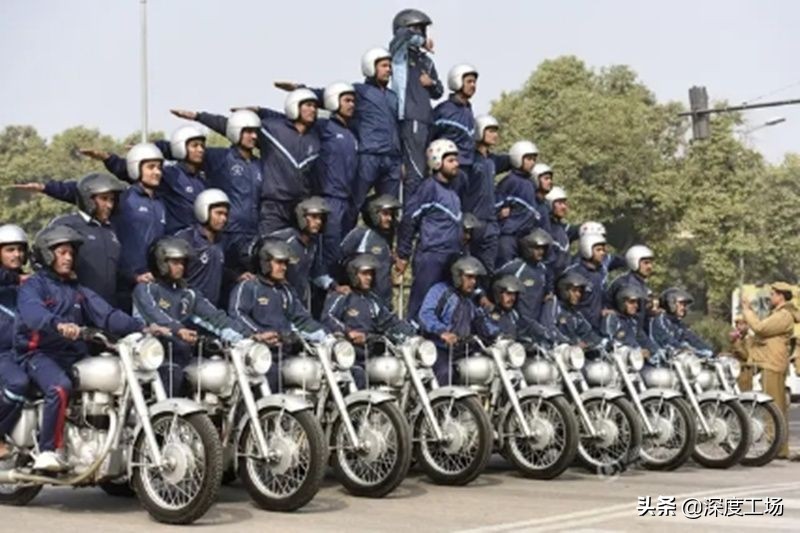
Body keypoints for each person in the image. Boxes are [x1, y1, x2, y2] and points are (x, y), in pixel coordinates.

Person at [16, 226, 152, 471]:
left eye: (71, 253)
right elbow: (33, 314)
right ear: (47, 255)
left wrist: (144, 327)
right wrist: (58, 325)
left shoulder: (76, 290)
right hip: (38, 354)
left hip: (73, 355)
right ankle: (47, 450)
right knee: (59, 386)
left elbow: (107, 314)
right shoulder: (33, 286)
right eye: (62, 252)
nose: (68, 258)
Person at [17, 143, 167, 311]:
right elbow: (82, 190)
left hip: (139, 284)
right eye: (151, 167)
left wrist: (137, 277)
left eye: (160, 167)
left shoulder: (161, 204)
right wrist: (47, 188)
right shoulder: (125, 197)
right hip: (92, 299)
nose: (109, 205)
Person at [276, 47, 401, 211]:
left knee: (390, 206)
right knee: (354, 203)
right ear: (371, 67)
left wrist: (401, 158)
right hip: (369, 155)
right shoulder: (360, 91)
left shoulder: (393, 97)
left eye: (390, 66)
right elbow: (328, 95)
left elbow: (400, 127)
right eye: (384, 66)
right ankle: (346, 234)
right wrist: (300, 88)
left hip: (392, 159)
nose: (388, 70)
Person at [132, 237, 245, 397]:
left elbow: (214, 317)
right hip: (153, 357)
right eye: (175, 262)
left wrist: (247, 335)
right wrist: (179, 330)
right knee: (173, 374)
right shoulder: (146, 289)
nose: (180, 267)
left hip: (182, 355)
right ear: (160, 262)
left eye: (183, 263)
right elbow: (154, 315)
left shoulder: (188, 293)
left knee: (218, 371)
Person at [164, 109, 264, 265]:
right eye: (248, 132)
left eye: (256, 132)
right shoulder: (220, 157)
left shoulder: (260, 165)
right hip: (227, 232)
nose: (254, 137)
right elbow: (184, 150)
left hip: (252, 234)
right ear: (236, 131)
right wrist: (149, 150)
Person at [228, 239, 327, 391]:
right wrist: (259, 334)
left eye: (285, 263)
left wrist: (327, 336)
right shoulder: (249, 287)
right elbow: (237, 313)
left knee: (312, 370)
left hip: (284, 352)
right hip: (258, 356)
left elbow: (302, 318)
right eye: (279, 263)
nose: (284, 267)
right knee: (273, 374)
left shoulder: (287, 291)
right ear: (265, 262)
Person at [85, 126, 208, 234]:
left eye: (202, 145)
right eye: (195, 145)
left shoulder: (204, 180)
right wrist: (109, 159)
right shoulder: (171, 174)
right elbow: (132, 171)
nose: (200, 149)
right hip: (174, 242)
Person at [321, 254, 416, 387]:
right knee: (359, 375)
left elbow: (390, 321)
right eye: (364, 274)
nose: (369, 278)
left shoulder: (373, 300)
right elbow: (327, 317)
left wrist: (413, 334)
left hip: (369, 354)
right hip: (345, 357)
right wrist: (349, 332)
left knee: (396, 368)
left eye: (371, 274)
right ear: (354, 274)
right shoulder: (343, 296)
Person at [396, 139, 463, 320]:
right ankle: (412, 337)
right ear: (437, 161)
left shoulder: (453, 194)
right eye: (451, 160)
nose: (456, 164)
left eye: (456, 160)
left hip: (451, 257)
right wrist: (403, 254)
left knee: (444, 305)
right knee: (421, 302)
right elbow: (409, 219)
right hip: (431, 256)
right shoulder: (428, 188)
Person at [740, 282, 800, 459]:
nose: (770, 297)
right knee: (775, 407)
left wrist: (747, 310)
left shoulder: (783, 315)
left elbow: (760, 328)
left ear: (781, 295)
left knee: (773, 408)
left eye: (773, 294)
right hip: (772, 362)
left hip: (772, 363)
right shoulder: (780, 314)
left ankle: (777, 448)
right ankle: (779, 448)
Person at [46, 173, 125, 306]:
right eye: (104, 199)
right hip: (76, 304)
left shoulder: (111, 229)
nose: (109, 205)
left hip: (107, 306)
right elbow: (42, 257)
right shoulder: (67, 224)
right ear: (88, 199)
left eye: (112, 200)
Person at [417, 257, 498, 384]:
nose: (473, 282)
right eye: (469, 277)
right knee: (446, 372)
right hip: (438, 348)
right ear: (457, 275)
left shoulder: (471, 298)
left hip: (464, 349)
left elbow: (482, 320)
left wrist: (499, 336)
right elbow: (425, 314)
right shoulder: (440, 290)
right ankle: (439, 402)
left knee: (486, 368)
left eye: (475, 278)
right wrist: (442, 332)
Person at [389, 8, 442, 193]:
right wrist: (420, 40)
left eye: (422, 29)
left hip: (426, 118)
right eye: (416, 28)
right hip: (410, 116)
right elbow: (401, 36)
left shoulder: (426, 61)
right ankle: (411, 218)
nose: (420, 32)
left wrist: (431, 82)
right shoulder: (399, 56)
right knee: (415, 173)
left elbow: (439, 91)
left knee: (425, 171)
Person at [269, 196, 339, 307]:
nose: (318, 222)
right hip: (279, 301)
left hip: (302, 302)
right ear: (302, 216)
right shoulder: (285, 238)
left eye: (321, 218)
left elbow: (316, 273)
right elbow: (258, 251)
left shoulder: (314, 244)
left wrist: (334, 286)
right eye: (314, 217)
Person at [0, 225, 31, 458]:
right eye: (10, 250)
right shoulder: (12, 280)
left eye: (20, 250)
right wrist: (17, 278)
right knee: (19, 384)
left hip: (25, 351)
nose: (16, 255)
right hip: (2, 354)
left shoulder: (28, 283)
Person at [341, 194, 400, 308]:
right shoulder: (361, 234)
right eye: (385, 214)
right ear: (373, 213)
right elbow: (341, 259)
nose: (389, 218)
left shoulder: (386, 238)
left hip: (384, 303)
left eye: (391, 215)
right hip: (363, 302)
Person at [496, 229, 556, 343]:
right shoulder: (516, 267)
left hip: (535, 326)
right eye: (537, 248)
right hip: (517, 324)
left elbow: (549, 291)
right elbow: (495, 280)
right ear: (528, 248)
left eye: (543, 248)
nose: (540, 251)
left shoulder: (543, 269)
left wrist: (549, 294)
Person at [467, 115, 509, 274]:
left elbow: (513, 161)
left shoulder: (493, 161)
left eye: (496, 131)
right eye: (490, 131)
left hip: (491, 223)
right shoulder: (468, 160)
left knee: (487, 270)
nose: (495, 135)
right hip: (472, 221)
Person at [175, 189, 231, 306]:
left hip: (210, 309)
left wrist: (236, 276)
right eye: (219, 213)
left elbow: (215, 268)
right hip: (187, 308)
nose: (223, 219)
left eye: (225, 214)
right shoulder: (186, 238)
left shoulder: (222, 241)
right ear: (204, 211)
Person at [495, 140, 540, 267]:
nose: (532, 163)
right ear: (518, 159)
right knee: (506, 269)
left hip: (525, 238)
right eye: (528, 159)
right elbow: (496, 203)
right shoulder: (510, 181)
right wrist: (500, 212)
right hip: (508, 236)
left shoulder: (531, 183)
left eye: (534, 159)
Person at [431, 64, 478, 175]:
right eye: (469, 81)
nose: (473, 85)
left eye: (474, 82)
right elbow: (429, 137)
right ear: (457, 81)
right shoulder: (444, 110)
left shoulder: (469, 111)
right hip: (448, 169)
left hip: (467, 167)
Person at [544, 271, 605, 356]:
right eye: (574, 291)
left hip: (572, 357)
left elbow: (588, 331)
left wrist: (604, 342)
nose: (578, 294)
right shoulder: (553, 304)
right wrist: (572, 342)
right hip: (553, 355)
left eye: (580, 291)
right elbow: (550, 329)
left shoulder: (575, 313)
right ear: (564, 290)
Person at [563, 233, 611, 333]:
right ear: (587, 249)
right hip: (578, 329)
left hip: (598, 328)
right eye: (598, 250)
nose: (602, 253)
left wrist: (606, 309)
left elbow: (604, 298)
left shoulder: (602, 272)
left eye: (603, 250)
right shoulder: (574, 271)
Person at [649, 288, 714, 358]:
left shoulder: (678, 324)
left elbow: (693, 339)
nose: (683, 308)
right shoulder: (660, 321)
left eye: (685, 305)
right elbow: (667, 341)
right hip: (662, 362)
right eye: (681, 304)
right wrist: (683, 349)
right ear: (670, 303)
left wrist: (711, 352)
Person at [606, 245, 655, 333]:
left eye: (651, 263)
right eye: (646, 263)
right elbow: (626, 315)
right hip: (623, 334)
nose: (650, 266)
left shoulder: (642, 284)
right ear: (634, 262)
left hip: (638, 333)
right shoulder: (625, 284)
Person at [601, 284, 659, 356]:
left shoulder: (633, 321)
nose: (636, 305)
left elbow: (644, 339)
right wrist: (636, 350)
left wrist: (654, 350)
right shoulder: (612, 319)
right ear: (621, 302)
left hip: (635, 362)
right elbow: (607, 342)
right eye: (632, 302)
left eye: (637, 302)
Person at [544, 185, 574, 278]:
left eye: (564, 203)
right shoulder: (546, 229)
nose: (564, 207)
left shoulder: (560, 228)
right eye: (560, 203)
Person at [729, 314, 753, 391]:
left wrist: (737, 343)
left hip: (744, 371)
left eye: (740, 324)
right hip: (736, 370)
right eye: (736, 324)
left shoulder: (748, 339)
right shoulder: (739, 338)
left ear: (747, 325)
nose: (738, 327)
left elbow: (746, 355)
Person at [531, 163, 554, 234]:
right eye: (546, 178)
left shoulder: (547, 205)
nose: (550, 182)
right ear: (536, 179)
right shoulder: (530, 203)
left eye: (550, 179)